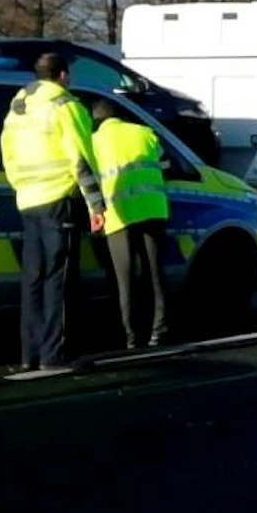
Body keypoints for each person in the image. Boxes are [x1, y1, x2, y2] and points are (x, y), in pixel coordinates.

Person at [0, 52, 106, 378]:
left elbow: (8, 152)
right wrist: (96, 204)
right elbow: (81, 156)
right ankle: (55, 354)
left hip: (28, 198)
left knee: (33, 279)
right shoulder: (65, 105)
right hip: (59, 197)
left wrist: (21, 184)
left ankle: (30, 353)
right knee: (58, 281)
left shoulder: (18, 110)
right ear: (62, 75)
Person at [90, 98, 171, 350]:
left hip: (118, 215)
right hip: (153, 209)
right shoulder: (145, 133)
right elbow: (166, 164)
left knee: (124, 279)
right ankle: (159, 331)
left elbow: (88, 179)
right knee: (154, 274)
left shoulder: (93, 141)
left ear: (98, 121)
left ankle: (130, 337)